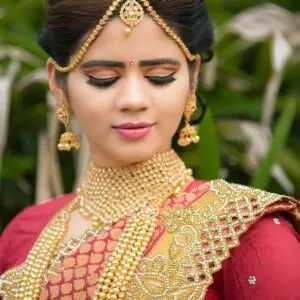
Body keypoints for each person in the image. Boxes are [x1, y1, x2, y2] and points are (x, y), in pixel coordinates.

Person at [0, 0, 300, 299]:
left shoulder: (244, 232)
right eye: (103, 79)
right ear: (57, 83)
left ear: (192, 77)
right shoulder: (25, 232)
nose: (133, 100)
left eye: (160, 76)